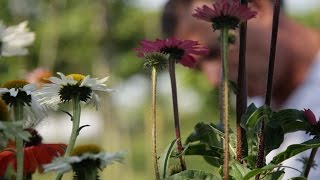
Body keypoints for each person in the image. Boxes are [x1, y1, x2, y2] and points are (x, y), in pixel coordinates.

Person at [161, 0, 320, 179]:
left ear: (257, 6)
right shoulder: (251, 117)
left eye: (216, 51)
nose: (214, 80)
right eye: (199, 68)